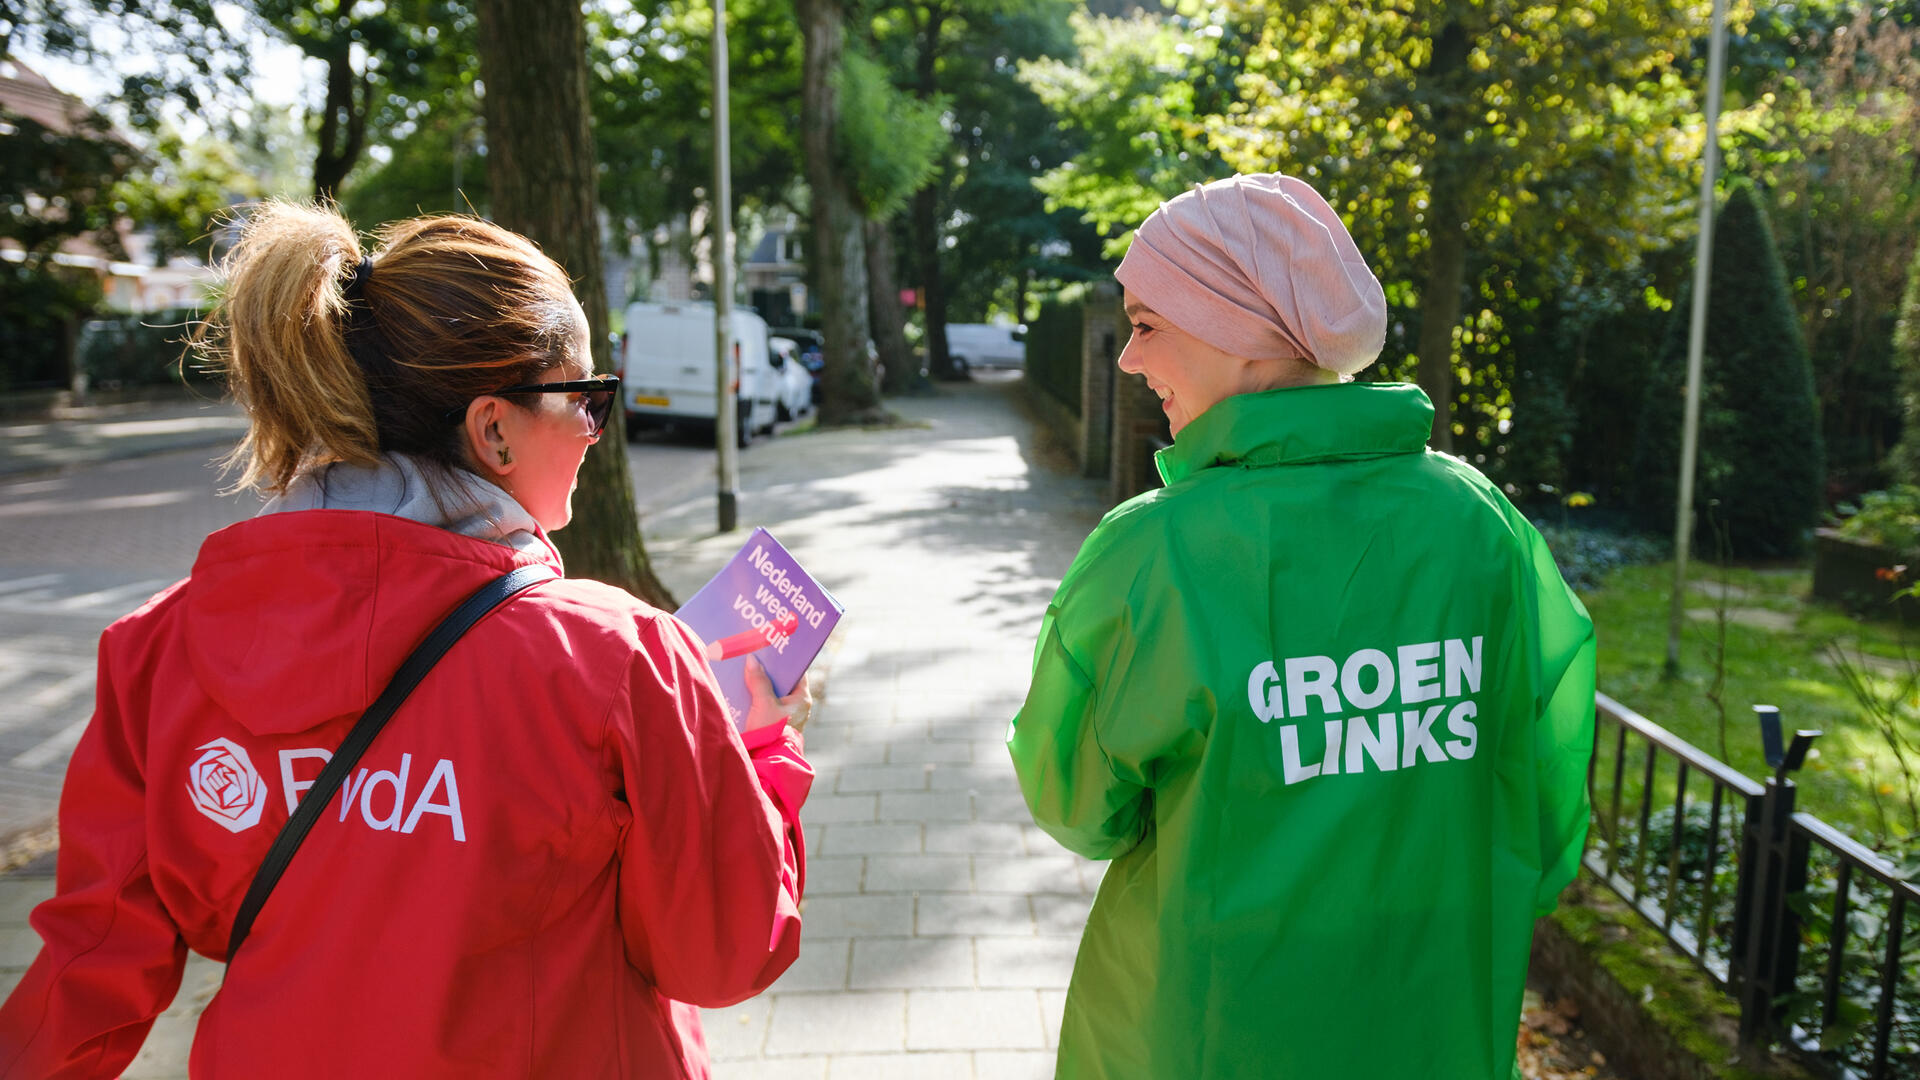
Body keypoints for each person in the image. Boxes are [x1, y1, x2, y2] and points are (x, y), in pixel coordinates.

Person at [0, 202, 812, 1078]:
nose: (593, 433)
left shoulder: (159, 649)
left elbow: (87, 971)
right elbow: (720, 953)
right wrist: (760, 754)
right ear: (493, 428)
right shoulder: (615, 659)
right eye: (583, 398)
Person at [1007, 173, 1596, 1079]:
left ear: (1240, 328)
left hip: (1202, 1033)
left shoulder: (1154, 554)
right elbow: (1544, 801)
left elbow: (1077, 802)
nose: (1127, 358)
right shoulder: (1477, 521)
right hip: (1431, 1027)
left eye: (1147, 324)